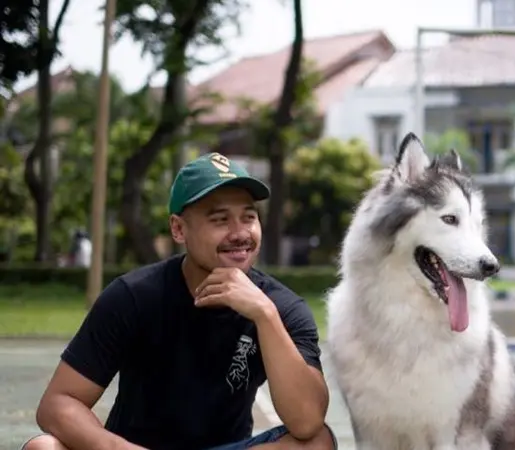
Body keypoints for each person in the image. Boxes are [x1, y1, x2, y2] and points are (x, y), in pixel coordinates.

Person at [23, 153, 337, 450]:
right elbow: (57, 404)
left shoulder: (281, 307)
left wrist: (265, 315)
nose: (240, 233)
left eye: (248, 217)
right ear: (178, 228)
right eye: (220, 219)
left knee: (317, 443)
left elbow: (308, 422)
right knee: (43, 447)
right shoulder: (133, 296)